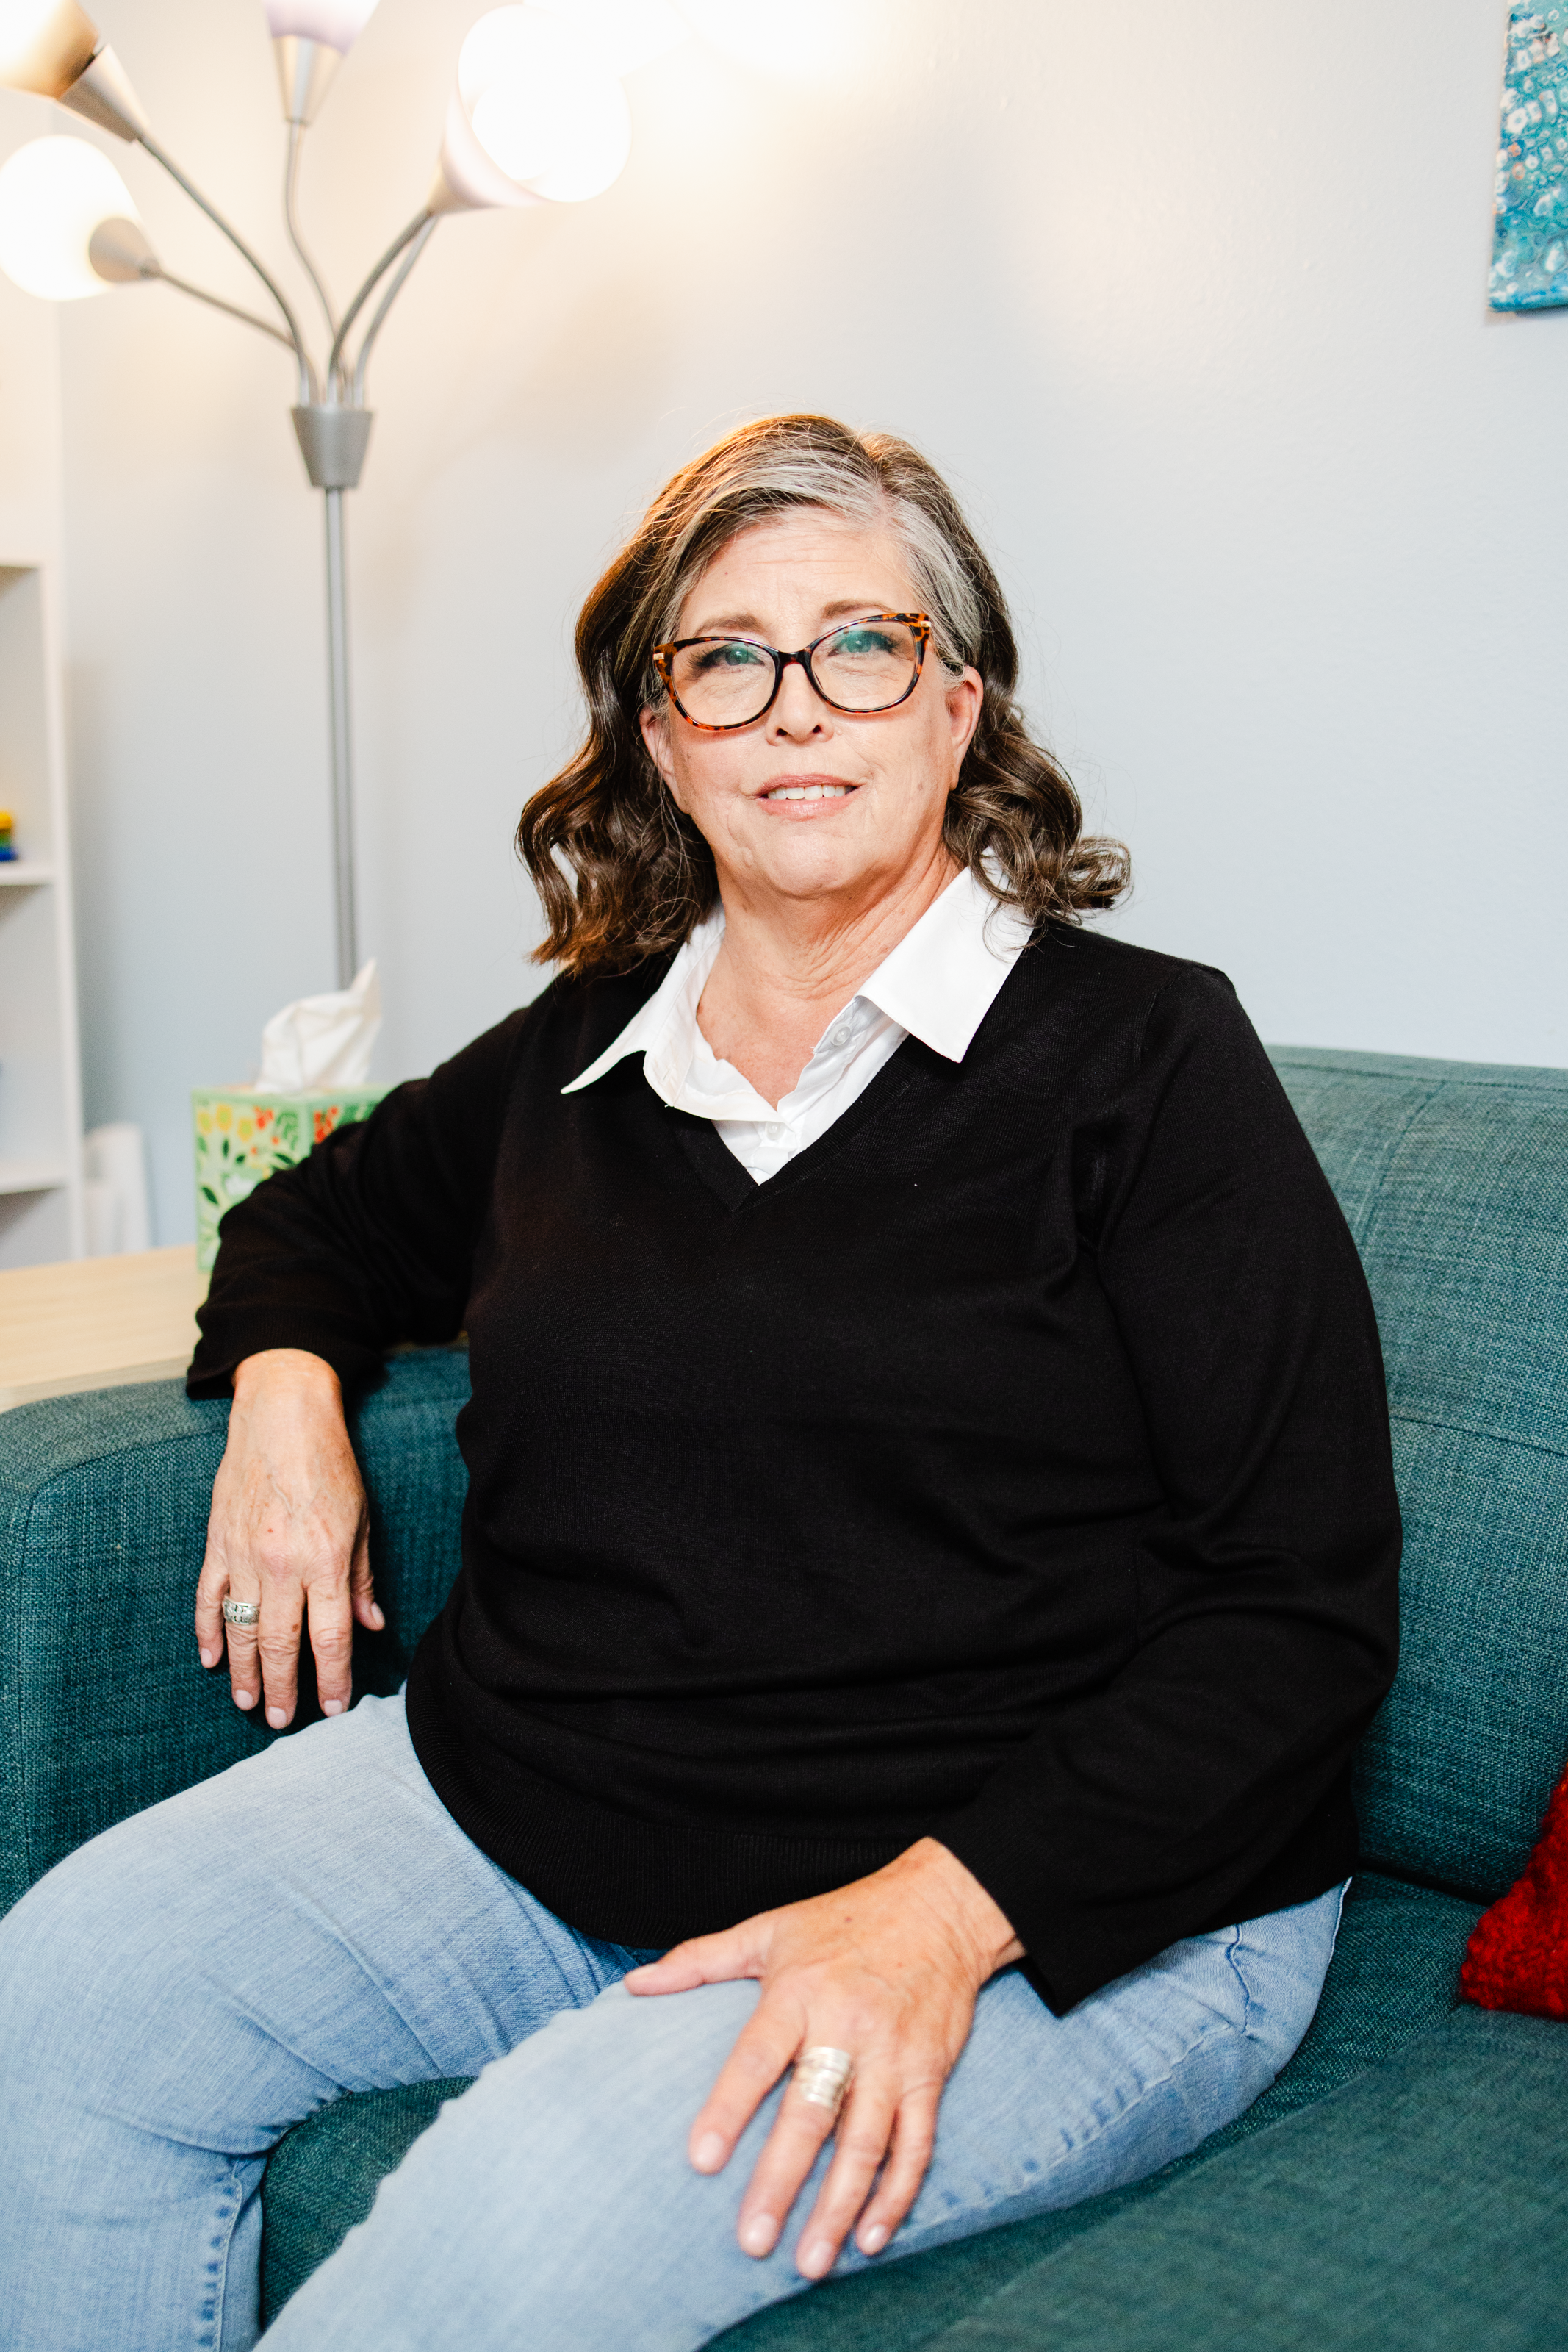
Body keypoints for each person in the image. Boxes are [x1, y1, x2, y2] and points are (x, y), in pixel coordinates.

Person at [0, 415, 1400, 2352]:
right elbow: (310, 1225)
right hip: (530, 1802)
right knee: (68, 1987)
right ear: (662, 735)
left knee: (529, 2200)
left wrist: (940, 1914)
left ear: (956, 706)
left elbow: (1298, 1609)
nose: (794, 706)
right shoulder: (580, 1048)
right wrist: (289, 1402)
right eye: (725, 658)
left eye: (862, 645)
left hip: (1059, 1895)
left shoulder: (1147, 1064)